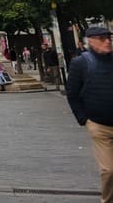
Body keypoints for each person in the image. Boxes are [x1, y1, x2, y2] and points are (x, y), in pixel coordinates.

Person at [67, 26, 113, 202]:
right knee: (109, 170)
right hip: (99, 126)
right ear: (90, 41)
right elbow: (72, 93)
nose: (107, 41)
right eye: (102, 38)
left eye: (109, 37)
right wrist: (84, 120)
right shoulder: (81, 63)